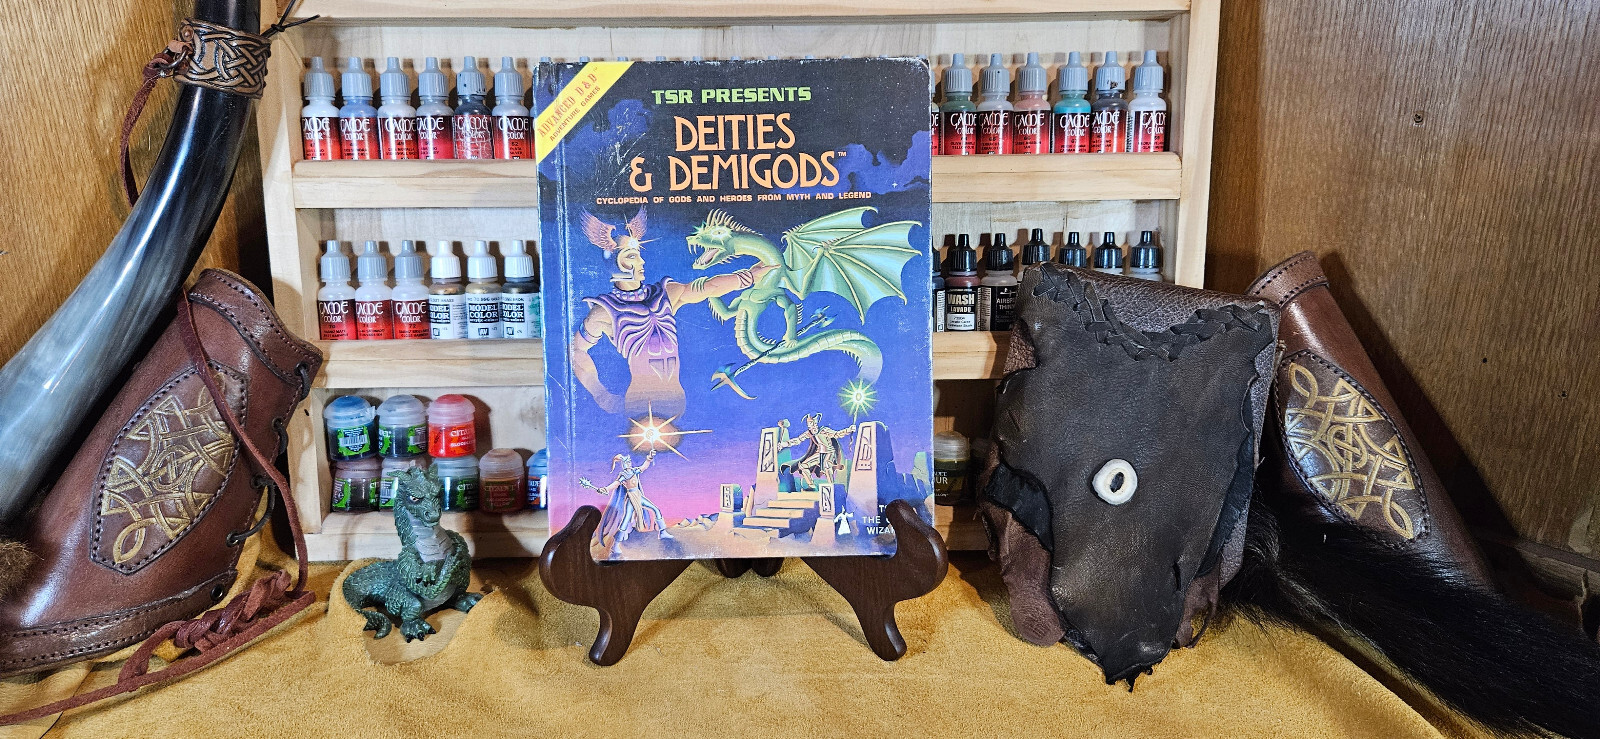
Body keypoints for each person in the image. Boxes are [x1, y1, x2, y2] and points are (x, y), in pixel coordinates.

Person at [569, 208, 776, 417]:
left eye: (639, 255)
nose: (641, 262)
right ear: (616, 263)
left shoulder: (665, 294)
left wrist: (749, 277)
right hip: (640, 408)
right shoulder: (604, 312)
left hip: (677, 404)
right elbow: (577, 350)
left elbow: (708, 288)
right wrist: (600, 394)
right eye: (632, 256)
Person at [580, 449, 673, 549]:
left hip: (639, 496)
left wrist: (649, 457)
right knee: (625, 520)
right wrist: (606, 489)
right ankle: (616, 545)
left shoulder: (634, 471)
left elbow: (644, 467)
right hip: (631, 499)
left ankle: (662, 532)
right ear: (623, 464)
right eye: (625, 462)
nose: (627, 464)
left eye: (628, 462)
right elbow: (615, 484)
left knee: (656, 509)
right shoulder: (623, 475)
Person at [779, 413, 855, 489]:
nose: (813, 427)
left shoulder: (824, 430)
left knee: (827, 466)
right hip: (819, 453)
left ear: (816, 424)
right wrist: (784, 444)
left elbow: (837, 434)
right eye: (810, 426)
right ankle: (811, 486)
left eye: (814, 424)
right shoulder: (809, 433)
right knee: (803, 466)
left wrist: (849, 430)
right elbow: (798, 440)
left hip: (829, 452)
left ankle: (831, 486)